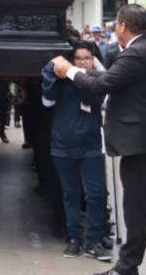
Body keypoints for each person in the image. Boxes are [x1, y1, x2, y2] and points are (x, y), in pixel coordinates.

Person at [52, 4, 146, 275]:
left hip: (142, 142)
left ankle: (128, 266)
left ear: (123, 26)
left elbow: (99, 85)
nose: (115, 28)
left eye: (116, 24)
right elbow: (112, 78)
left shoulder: (136, 53)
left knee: (137, 205)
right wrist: (84, 72)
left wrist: (69, 70)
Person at [42, 42, 112, 262]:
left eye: (87, 58)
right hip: (63, 145)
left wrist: (81, 74)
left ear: (93, 59)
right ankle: (75, 239)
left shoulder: (98, 80)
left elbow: (95, 98)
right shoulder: (60, 82)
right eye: (78, 58)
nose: (83, 62)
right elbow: (47, 100)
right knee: (71, 194)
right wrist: (55, 69)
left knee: (96, 195)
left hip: (91, 145)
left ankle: (94, 241)